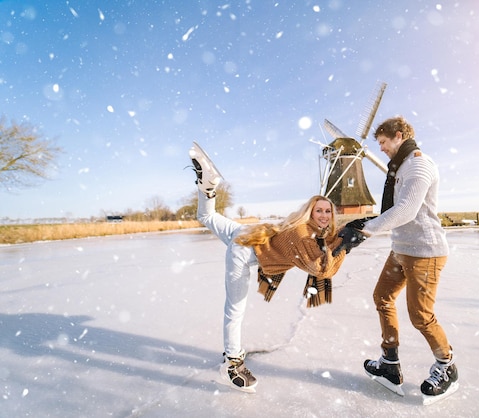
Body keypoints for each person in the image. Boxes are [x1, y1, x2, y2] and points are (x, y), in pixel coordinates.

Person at [188, 142, 348, 393]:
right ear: (311, 212)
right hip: (243, 249)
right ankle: (232, 365)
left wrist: (340, 239)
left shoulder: (304, 226)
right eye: (319, 211)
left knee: (206, 216)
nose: (325, 215)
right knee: (235, 310)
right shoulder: (302, 234)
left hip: (246, 232)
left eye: (328, 211)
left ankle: (208, 187)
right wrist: (345, 245)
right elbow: (321, 269)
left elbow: (321, 247)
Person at [347, 116, 458, 400]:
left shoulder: (419, 164)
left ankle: (447, 366)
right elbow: (395, 209)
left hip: (424, 251)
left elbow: (407, 210)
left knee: (421, 316)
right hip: (402, 248)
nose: (381, 148)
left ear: (398, 136)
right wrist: (366, 222)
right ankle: (389, 363)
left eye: (383, 142)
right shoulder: (399, 168)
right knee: (382, 297)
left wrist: (367, 230)